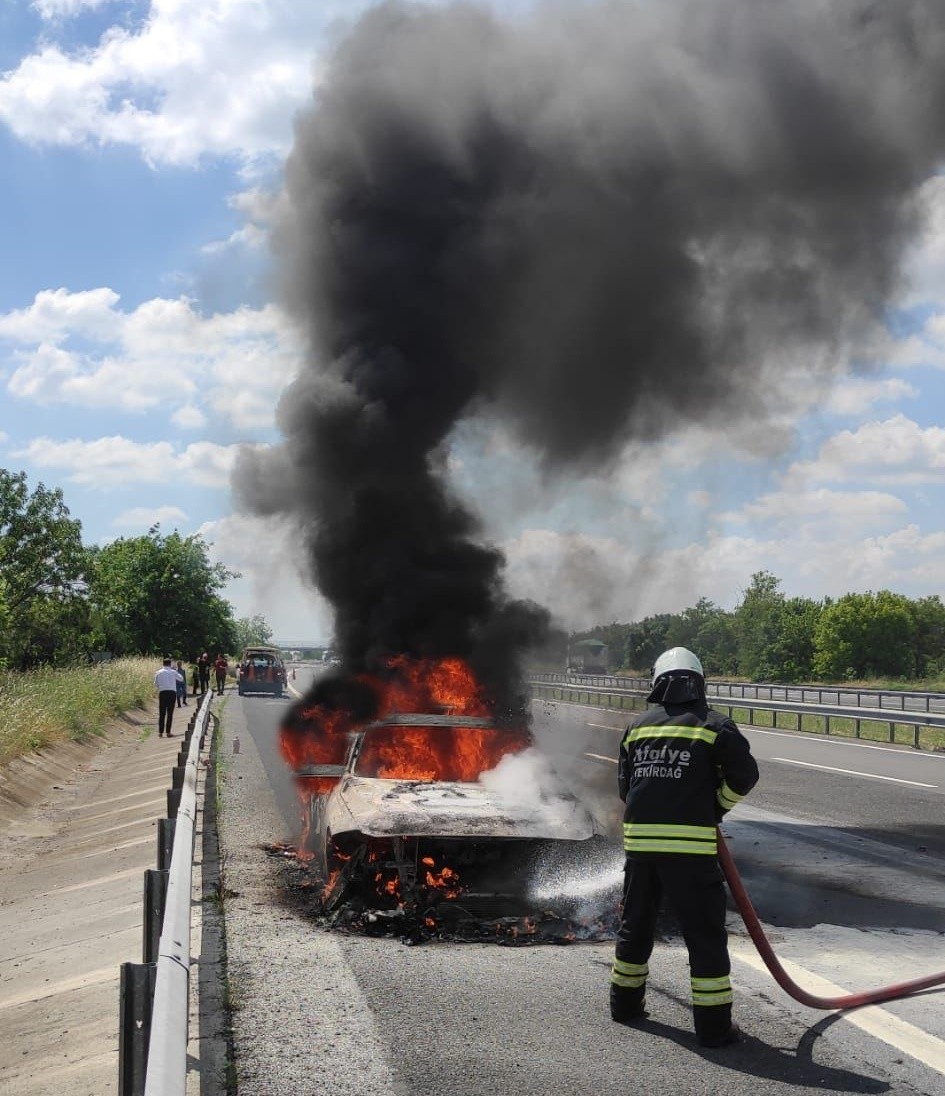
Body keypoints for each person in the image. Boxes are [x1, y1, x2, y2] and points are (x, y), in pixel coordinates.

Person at [610, 647, 758, 1047]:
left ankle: (624, 1006)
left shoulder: (637, 727)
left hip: (640, 845)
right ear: (699, 682)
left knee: (635, 927)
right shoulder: (714, 726)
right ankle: (713, 1029)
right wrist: (714, 807)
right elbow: (745, 774)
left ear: (657, 682)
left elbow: (626, 788)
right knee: (704, 936)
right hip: (690, 850)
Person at [154, 657, 184, 738]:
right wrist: (175, 670)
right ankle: (168, 732)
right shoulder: (173, 672)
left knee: (162, 713)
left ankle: (160, 732)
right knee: (170, 713)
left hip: (162, 693)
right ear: (170, 664)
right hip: (171, 693)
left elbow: (156, 684)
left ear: (163, 664)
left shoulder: (158, 672)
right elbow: (181, 679)